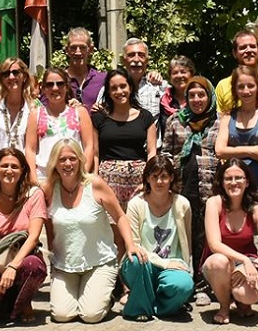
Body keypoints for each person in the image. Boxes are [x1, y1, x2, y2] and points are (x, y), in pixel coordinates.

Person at [43, 139, 144, 323]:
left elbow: (120, 216)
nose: (67, 164)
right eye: (62, 159)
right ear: (54, 164)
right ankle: (88, 294)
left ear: (80, 160)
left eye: (72, 158)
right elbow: (47, 226)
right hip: (65, 265)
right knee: (61, 315)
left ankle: (107, 296)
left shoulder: (95, 184)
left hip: (99, 261)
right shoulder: (49, 189)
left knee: (90, 315)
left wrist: (130, 245)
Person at [215, 65, 258, 305]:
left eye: (250, 86)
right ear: (235, 89)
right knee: (241, 237)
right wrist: (254, 150)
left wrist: (239, 151)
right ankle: (241, 281)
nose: (246, 90)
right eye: (241, 86)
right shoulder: (228, 117)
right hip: (235, 188)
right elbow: (219, 149)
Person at [161, 76, 220, 305]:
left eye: (201, 94)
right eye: (192, 95)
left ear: (209, 96)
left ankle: (204, 285)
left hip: (209, 188)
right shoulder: (176, 120)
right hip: (182, 186)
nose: (197, 99)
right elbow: (166, 152)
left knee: (204, 237)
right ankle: (183, 283)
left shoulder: (219, 121)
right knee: (182, 235)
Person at [0, 147, 47, 323]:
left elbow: (33, 237)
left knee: (34, 266)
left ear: (23, 170)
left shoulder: (34, 195)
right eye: (4, 165)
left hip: (22, 260)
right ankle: (5, 302)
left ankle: (21, 305)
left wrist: (13, 267)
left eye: (14, 166)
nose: (9, 170)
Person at [201, 159, 258, 325]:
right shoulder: (214, 203)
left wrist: (253, 265)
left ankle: (241, 301)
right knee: (219, 261)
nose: (233, 182)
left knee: (248, 295)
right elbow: (215, 245)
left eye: (238, 178)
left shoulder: (256, 208)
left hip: (249, 263)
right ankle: (224, 306)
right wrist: (242, 260)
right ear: (221, 182)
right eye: (228, 179)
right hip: (219, 264)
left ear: (247, 181)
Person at [121, 156, 194, 321]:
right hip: (143, 264)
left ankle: (154, 307)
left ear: (172, 178)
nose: (159, 181)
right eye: (154, 176)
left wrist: (185, 266)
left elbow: (186, 241)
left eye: (164, 176)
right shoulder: (136, 204)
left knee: (184, 285)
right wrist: (165, 263)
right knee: (136, 261)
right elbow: (134, 245)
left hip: (173, 264)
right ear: (147, 178)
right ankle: (137, 309)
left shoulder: (182, 204)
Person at [92, 67, 158, 209]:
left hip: (139, 180)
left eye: (123, 86)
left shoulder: (146, 117)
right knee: (112, 226)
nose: (119, 92)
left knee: (138, 224)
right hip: (107, 180)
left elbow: (152, 152)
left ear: (130, 87)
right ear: (108, 92)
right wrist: (94, 179)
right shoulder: (98, 119)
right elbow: (95, 154)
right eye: (114, 88)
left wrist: (148, 180)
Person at [25, 67, 95, 183]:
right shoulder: (35, 114)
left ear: (67, 87)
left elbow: (89, 146)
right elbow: (30, 149)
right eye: (50, 85)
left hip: (74, 177)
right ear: (43, 88)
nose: (55, 88)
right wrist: (33, 179)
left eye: (60, 84)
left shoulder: (80, 112)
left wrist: (83, 175)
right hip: (44, 178)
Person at [215, 29, 258, 113]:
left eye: (252, 46)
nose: (248, 50)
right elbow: (220, 119)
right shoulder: (223, 86)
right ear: (234, 53)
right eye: (243, 47)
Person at [117, 38, 167, 118]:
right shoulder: (113, 87)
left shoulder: (158, 86)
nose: (136, 59)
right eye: (131, 55)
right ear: (124, 60)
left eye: (141, 55)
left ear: (147, 60)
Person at [64, 27, 106, 111]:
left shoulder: (103, 79)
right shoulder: (57, 81)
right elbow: (45, 110)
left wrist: (105, 109)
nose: (78, 52)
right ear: (67, 50)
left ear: (90, 49)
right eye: (73, 48)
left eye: (82, 47)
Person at [159, 56, 195, 132]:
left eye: (183, 72)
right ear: (170, 77)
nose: (179, 76)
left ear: (191, 75)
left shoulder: (198, 100)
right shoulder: (162, 100)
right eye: (175, 73)